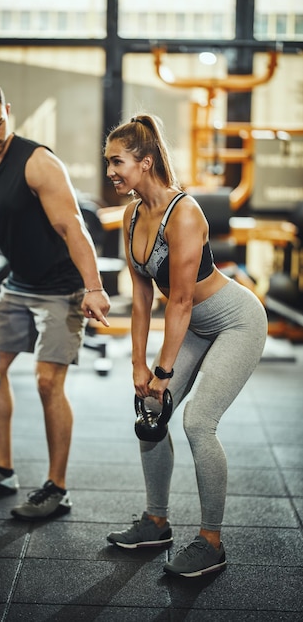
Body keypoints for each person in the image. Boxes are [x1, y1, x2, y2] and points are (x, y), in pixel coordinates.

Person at [104, 114, 267, 577]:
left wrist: (164, 371)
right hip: (193, 324)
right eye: (108, 162)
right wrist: (140, 368)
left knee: (198, 422)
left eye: (118, 162)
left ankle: (211, 542)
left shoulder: (185, 212)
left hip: (235, 321)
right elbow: (140, 299)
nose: (111, 171)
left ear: (146, 161)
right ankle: (156, 521)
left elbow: (178, 299)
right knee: (150, 410)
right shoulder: (132, 215)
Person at [0, 78, 110, 521]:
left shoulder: (38, 162)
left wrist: (94, 287)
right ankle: (1, 467)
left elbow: (73, 227)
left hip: (63, 286)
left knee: (46, 382)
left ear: (8, 111)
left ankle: (57, 487)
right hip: (19, 285)